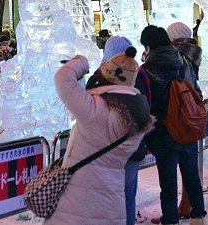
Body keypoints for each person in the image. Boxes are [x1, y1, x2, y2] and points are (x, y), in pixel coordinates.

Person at [45, 50, 153, 225]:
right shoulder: (139, 117)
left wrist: (82, 61)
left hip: (79, 201)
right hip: (112, 200)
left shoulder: (94, 108)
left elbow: (62, 78)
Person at [140, 26, 207, 225]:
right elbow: (195, 90)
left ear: (148, 45)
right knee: (192, 176)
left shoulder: (146, 70)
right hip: (186, 126)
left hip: (163, 133)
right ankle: (199, 217)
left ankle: (170, 219)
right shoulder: (184, 62)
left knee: (168, 182)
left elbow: (145, 105)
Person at [86, 36, 151, 225]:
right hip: (132, 146)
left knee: (105, 199)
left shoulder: (99, 77)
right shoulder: (140, 75)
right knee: (128, 196)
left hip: (105, 149)